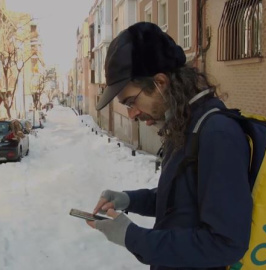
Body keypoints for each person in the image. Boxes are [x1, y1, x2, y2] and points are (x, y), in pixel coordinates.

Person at [87, 22, 252, 270]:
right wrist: (128, 200)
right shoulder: (186, 125)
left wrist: (133, 237)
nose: (132, 115)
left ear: (160, 82)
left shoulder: (217, 134)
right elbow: (181, 202)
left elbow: (226, 243)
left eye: (132, 101)